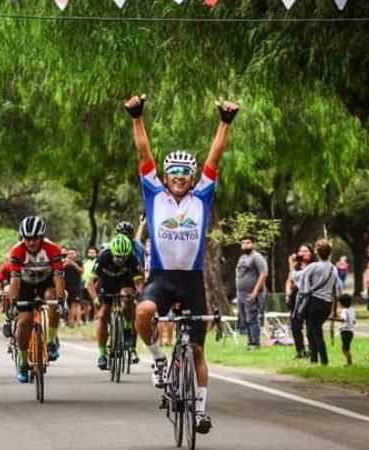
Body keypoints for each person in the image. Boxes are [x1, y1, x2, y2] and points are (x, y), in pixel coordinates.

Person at [126, 93, 238, 434]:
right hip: (161, 278)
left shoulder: (202, 196)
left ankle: (201, 411)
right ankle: (160, 361)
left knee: (198, 350)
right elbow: (144, 152)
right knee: (143, 313)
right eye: (173, 171)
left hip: (192, 281)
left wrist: (224, 123)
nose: (178, 176)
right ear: (165, 174)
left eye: (184, 172)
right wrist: (137, 117)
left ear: (192, 177)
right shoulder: (153, 194)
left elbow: (214, 158)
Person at [7, 216, 66, 383]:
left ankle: (52, 341)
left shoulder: (52, 249)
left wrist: (61, 302)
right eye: (27, 238)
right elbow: (15, 281)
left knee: (52, 298)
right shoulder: (17, 251)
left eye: (35, 238)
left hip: (46, 282)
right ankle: (24, 363)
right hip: (25, 284)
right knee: (24, 321)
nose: (31, 242)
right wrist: (13, 303)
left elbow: (59, 277)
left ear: (42, 237)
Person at [88, 234, 144, 370]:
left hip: (124, 281)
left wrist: (139, 295)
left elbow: (139, 283)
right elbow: (90, 283)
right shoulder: (103, 257)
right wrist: (95, 299)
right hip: (105, 283)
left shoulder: (132, 259)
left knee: (128, 296)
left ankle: (127, 327)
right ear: (112, 252)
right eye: (118, 257)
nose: (121, 260)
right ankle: (102, 354)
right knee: (102, 316)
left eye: (124, 257)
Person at [295, 239, 341, 365]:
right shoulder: (333, 268)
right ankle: (313, 359)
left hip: (315, 302)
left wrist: (292, 266)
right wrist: (335, 310)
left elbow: (299, 277)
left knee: (316, 332)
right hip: (327, 303)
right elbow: (336, 290)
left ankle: (324, 360)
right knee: (311, 330)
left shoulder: (314, 266)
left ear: (316, 252)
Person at [235, 235, 268, 350]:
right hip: (241, 294)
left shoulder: (257, 257)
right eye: (243, 243)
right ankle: (250, 341)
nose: (246, 245)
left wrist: (255, 291)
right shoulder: (242, 258)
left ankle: (255, 343)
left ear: (253, 244)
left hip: (253, 293)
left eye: (248, 242)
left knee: (252, 317)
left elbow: (264, 273)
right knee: (245, 319)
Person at [286, 243, 314, 359]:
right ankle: (300, 350)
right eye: (301, 251)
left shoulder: (314, 266)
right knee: (295, 325)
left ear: (311, 253)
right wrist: (288, 290)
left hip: (309, 298)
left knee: (310, 326)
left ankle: (312, 350)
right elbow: (290, 279)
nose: (303, 253)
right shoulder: (296, 266)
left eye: (306, 251)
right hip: (296, 298)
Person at [330, 294, 355, 366]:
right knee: (346, 347)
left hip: (345, 332)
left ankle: (349, 362)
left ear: (341, 303)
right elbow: (353, 321)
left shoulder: (344, 311)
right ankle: (349, 362)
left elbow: (343, 319)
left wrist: (333, 319)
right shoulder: (351, 310)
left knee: (345, 349)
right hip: (351, 331)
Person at [63, 248, 83, 327]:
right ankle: (71, 321)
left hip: (76, 286)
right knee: (69, 304)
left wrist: (74, 264)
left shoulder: (78, 262)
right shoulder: (64, 262)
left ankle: (78, 321)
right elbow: (59, 270)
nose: (71, 255)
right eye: (69, 253)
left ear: (76, 254)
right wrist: (65, 264)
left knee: (77, 303)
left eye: (73, 253)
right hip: (67, 286)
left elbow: (81, 271)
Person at [80, 246, 99, 325]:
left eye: (93, 252)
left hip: (94, 284)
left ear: (96, 253)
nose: (91, 254)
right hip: (84, 284)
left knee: (95, 302)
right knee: (85, 302)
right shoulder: (84, 262)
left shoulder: (97, 262)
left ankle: (96, 317)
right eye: (90, 252)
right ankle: (87, 319)